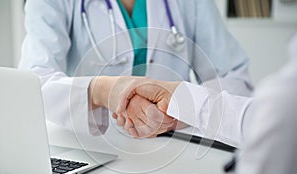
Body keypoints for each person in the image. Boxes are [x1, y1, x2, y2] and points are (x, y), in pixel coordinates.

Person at [19, 0, 253, 143]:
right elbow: (32, 83)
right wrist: (101, 90)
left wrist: (179, 110)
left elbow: (235, 78)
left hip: (173, 143)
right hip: (90, 148)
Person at [117, 35, 297, 174]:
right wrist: (179, 102)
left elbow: (272, 112)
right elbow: (258, 117)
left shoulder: (283, 101)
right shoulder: (281, 100)